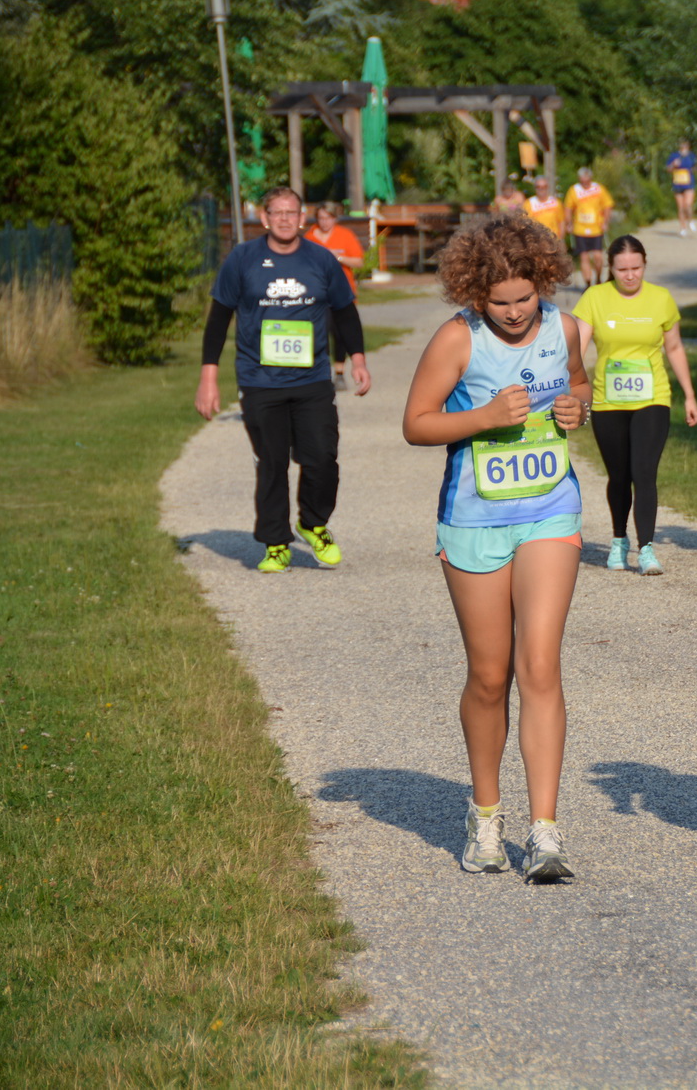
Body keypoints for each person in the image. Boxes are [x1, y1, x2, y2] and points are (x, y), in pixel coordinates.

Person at [402, 214, 591, 882]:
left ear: (544, 281)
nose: (514, 314)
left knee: (540, 664)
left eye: (525, 298)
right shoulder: (459, 340)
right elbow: (416, 423)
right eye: (498, 302)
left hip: (549, 509)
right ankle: (486, 817)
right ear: (474, 294)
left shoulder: (563, 326)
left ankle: (546, 832)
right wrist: (483, 417)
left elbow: (577, 383)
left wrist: (577, 406)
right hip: (474, 520)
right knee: (491, 675)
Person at [195, 185, 372, 572]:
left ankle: (312, 522)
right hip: (259, 381)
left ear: (302, 218)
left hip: (311, 380)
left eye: (292, 212)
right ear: (264, 218)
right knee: (272, 462)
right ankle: (276, 543)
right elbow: (218, 318)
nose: (285, 219)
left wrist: (357, 358)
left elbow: (344, 312)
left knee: (322, 457)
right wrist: (208, 377)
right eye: (277, 213)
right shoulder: (242, 259)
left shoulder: (321, 260)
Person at [572, 235, 697, 575]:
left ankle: (646, 549)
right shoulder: (595, 298)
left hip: (652, 399)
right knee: (619, 475)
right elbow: (578, 350)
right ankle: (618, 540)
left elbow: (673, 349)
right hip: (609, 401)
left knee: (644, 472)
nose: (630, 276)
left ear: (645, 265)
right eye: (622, 269)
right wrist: (573, 391)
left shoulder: (661, 299)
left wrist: (688, 393)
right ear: (610, 268)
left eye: (636, 268)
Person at [304, 201, 366, 392]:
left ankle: (339, 372)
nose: (324, 222)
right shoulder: (309, 237)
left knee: (340, 334)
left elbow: (359, 261)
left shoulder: (344, 235)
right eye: (321, 218)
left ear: (335, 218)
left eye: (328, 218)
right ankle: (321, 373)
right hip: (316, 294)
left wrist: (336, 257)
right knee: (319, 332)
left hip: (341, 292)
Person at [567, 167, 615, 288]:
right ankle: (588, 284)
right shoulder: (574, 190)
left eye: (587, 179)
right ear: (580, 179)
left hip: (596, 228)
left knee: (598, 257)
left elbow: (608, 205)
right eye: (583, 179)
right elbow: (568, 207)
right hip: (580, 228)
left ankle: (598, 278)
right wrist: (569, 223)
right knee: (584, 257)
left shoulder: (599, 188)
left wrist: (606, 221)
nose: (585, 182)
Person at [666, 139, 697, 236]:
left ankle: (690, 221)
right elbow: (668, 169)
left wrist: (692, 169)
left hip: (688, 183)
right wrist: (673, 165)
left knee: (688, 205)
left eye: (686, 146)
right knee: (681, 207)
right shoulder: (674, 156)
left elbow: (696, 167)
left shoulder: (691, 156)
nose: (684, 147)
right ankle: (683, 228)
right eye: (682, 145)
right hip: (677, 183)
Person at [526, 176, 565, 240]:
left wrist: (560, 239)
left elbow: (561, 222)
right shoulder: (528, 203)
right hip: (536, 240)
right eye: (538, 187)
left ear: (548, 187)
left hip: (553, 239)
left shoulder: (556, 202)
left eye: (544, 187)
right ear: (535, 188)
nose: (541, 189)